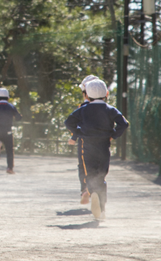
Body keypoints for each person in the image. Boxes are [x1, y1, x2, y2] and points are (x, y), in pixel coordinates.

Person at [65, 80, 129, 220]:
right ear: (106, 94)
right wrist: (113, 135)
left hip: (87, 146)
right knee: (101, 176)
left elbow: (68, 122)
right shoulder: (110, 109)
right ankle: (102, 208)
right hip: (103, 145)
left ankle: (92, 192)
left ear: (87, 95)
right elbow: (123, 124)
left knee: (90, 173)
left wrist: (79, 133)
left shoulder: (83, 109)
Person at [70, 75, 101, 204]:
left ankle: (85, 190)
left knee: (83, 166)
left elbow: (77, 124)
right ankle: (98, 192)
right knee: (99, 167)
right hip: (101, 141)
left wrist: (73, 137)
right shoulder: (104, 107)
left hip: (84, 141)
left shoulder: (82, 107)